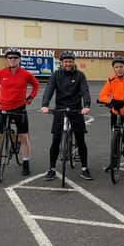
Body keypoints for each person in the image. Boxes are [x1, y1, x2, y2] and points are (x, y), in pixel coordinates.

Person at [0, 47, 40, 177]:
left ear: (19, 59)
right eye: (10, 57)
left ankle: (26, 163)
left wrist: (31, 97)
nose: (12, 60)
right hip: (4, 108)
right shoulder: (0, 73)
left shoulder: (26, 74)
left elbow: (36, 84)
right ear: (6, 59)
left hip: (20, 108)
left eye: (15, 57)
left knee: (24, 137)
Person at [41, 51, 93, 180]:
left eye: (70, 61)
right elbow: (49, 89)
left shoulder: (80, 75)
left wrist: (86, 105)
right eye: (66, 61)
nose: (68, 64)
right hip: (60, 109)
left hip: (76, 110)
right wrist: (45, 105)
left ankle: (85, 168)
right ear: (62, 62)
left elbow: (84, 90)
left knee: (80, 139)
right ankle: (52, 169)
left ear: (73, 62)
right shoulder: (56, 75)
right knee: (56, 140)